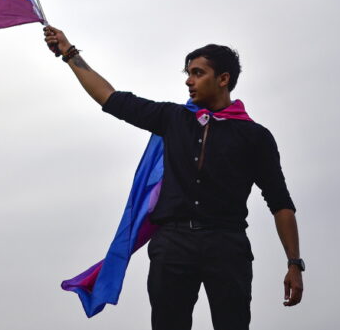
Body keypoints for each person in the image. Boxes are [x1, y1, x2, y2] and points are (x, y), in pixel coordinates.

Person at [43, 25, 303, 330]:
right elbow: (110, 99)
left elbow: (280, 201)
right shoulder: (173, 118)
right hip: (173, 243)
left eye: (197, 73)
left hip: (227, 244)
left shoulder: (255, 136)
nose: (189, 81)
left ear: (223, 79)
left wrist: (294, 263)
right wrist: (69, 52)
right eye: (188, 73)